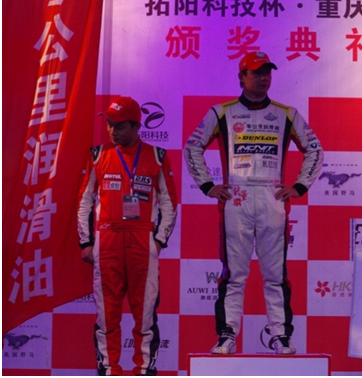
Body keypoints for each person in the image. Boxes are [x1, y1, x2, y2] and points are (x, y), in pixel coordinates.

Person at [184, 51, 323, 355]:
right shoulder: (222, 112)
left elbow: (315, 149)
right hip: (237, 200)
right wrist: (208, 185)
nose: (264, 78)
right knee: (234, 274)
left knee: (276, 275)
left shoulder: (287, 114)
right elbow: (192, 146)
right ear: (242, 77)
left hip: (273, 201)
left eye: (268, 72)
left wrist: (299, 186)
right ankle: (226, 335)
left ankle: (281, 336)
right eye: (257, 72)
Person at [77, 96, 178, 375]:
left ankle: (144, 370)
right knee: (107, 314)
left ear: (136, 126)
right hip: (107, 240)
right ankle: (109, 369)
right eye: (109, 124)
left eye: (119, 126)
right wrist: (86, 241)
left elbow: (169, 202)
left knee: (144, 315)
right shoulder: (98, 154)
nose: (112, 131)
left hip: (141, 241)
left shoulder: (157, 156)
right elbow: (84, 201)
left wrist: (158, 241)